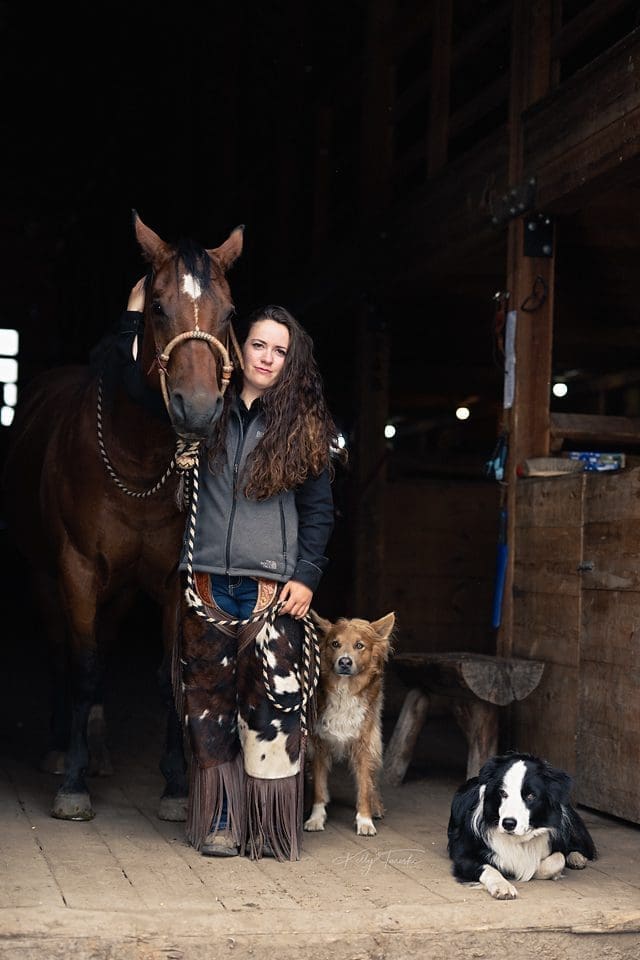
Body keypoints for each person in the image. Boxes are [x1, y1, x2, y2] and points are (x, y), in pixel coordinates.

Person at [173, 302, 344, 861]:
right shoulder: (204, 414)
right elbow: (141, 373)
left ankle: (269, 828)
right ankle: (221, 820)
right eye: (258, 345)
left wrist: (308, 576)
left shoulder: (304, 426)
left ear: (291, 361)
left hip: (274, 588)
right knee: (207, 703)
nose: (267, 357)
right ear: (237, 348)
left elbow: (319, 512)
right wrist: (134, 316)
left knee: (272, 703)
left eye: (279, 349)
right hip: (204, 582)